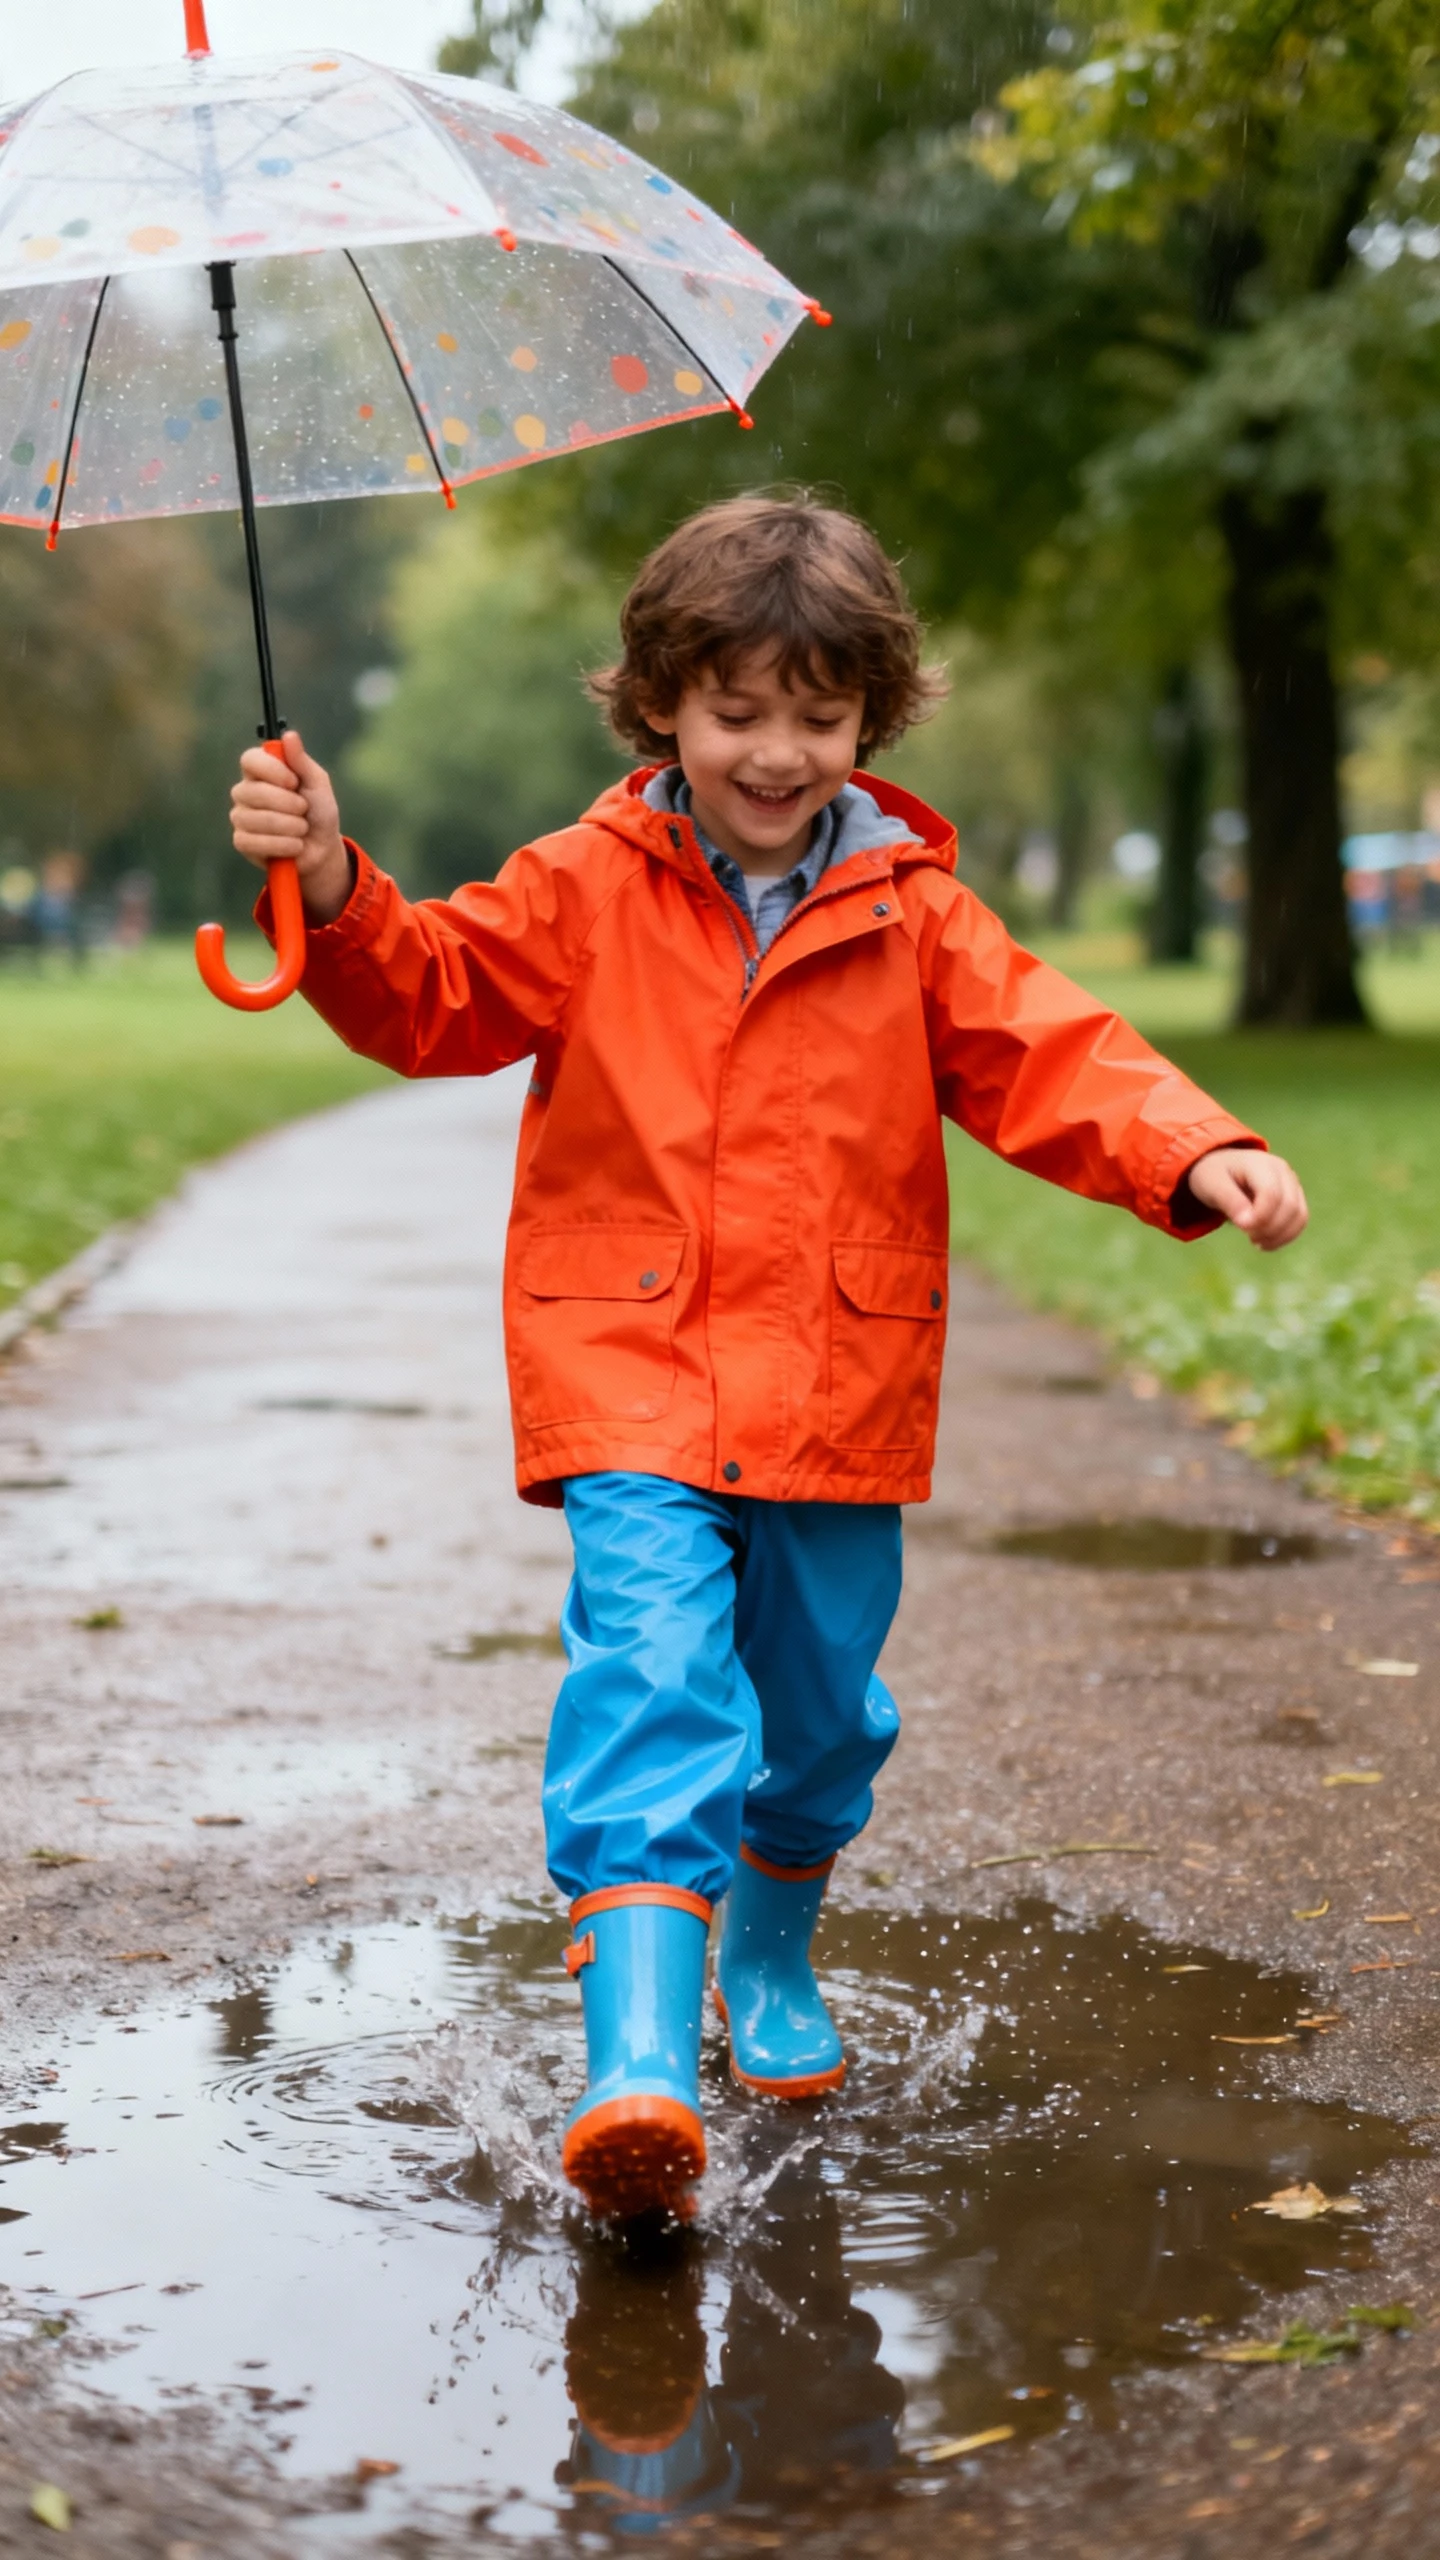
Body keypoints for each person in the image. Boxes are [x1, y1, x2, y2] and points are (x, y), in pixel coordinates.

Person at [228, 495, 1307, 2224]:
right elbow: (432, 994)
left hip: (835, 1379)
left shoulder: (915, 913)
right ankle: (640, 2065)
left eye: (820, 715)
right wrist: (337, 879)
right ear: (660, 701)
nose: (780, 750)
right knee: (653, 1681)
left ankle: (774, 1954)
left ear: (873, 716)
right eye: (740, 710)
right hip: (632, 1366)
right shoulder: (585, 887)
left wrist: (1189, 1149)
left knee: (816, 1720)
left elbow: (1052, 1052)